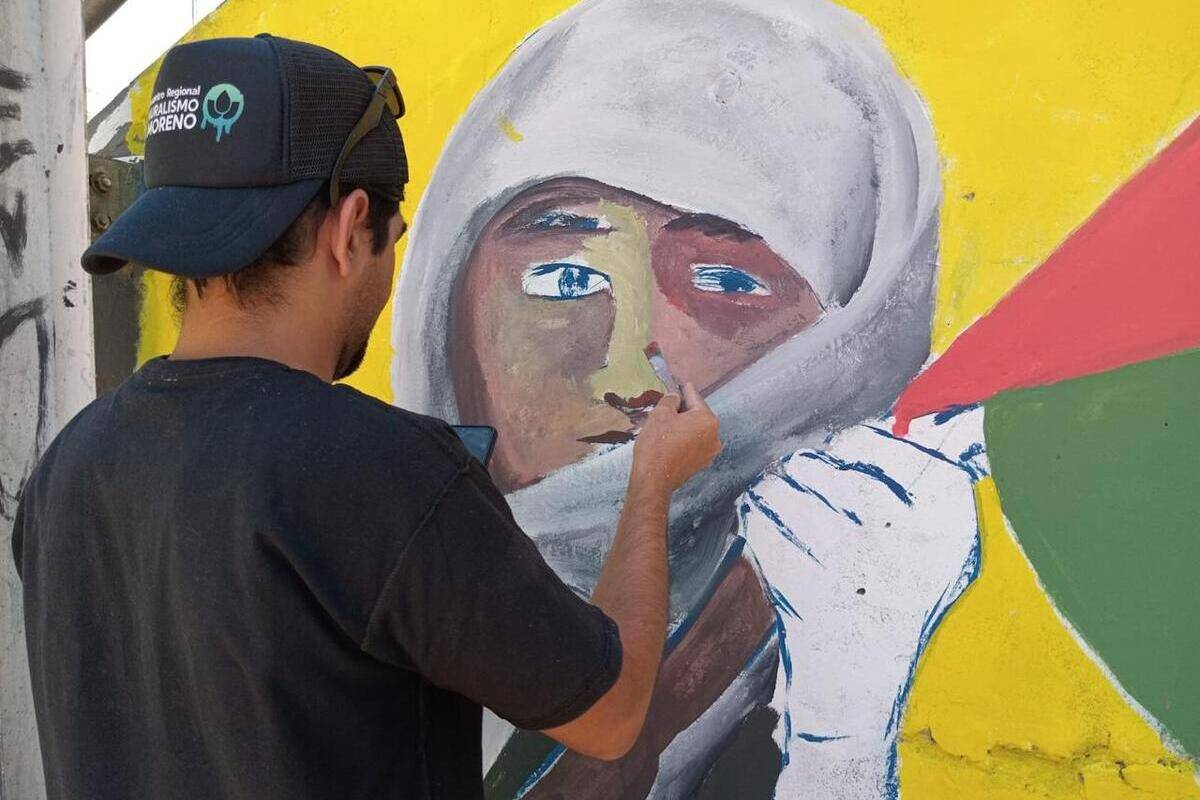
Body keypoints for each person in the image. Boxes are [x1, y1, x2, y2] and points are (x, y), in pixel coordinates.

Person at [12, 34, 722, 800]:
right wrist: (652, 484)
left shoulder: (70, 469)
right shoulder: (374, 470)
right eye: (393, 240)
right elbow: (608, 713)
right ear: (351, 229)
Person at [392, 0, 986, 796]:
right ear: (444, 308)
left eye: (727, 282)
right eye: (565, 280)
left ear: (857, 347)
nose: (630, 371)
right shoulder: (375, 574)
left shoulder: (836, 662)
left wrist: (842, 732)